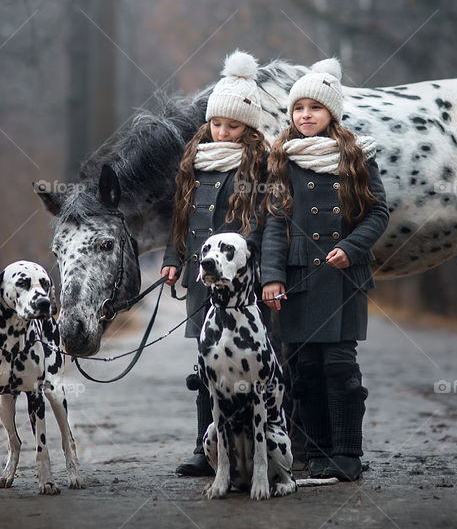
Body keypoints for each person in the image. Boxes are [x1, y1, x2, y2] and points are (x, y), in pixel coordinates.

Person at [260, 57, 388, 482]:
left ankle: (347, 453)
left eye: (315, 108)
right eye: (299, 108)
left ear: (332, 112)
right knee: (304, 369)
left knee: (339, 366)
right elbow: (275, 223)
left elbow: (378, 213)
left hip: (343, 277)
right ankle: (316, 454)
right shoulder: (281, 159)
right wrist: (272, 276)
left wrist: (352, 248)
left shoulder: (357, 155)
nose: (305, 116)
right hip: (296, 279)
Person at [161, 50, 270, 477]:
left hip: (241, 287)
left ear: (249, 128)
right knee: (206, 363)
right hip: (201, 280)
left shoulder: (259, 166)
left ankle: (262, 444)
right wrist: (173, 259)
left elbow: (263, 223)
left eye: (233, 125)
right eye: (217, 123)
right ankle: (204, 449)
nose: (223, 132)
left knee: (246, 363)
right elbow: (181, 218)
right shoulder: (194, 162)